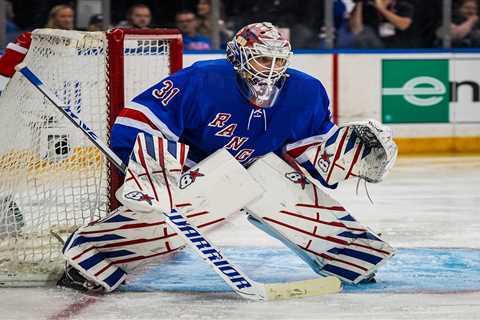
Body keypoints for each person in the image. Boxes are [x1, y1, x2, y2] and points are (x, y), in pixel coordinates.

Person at [57, 22, 396, 292]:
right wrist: (153, 173)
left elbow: (309, 152)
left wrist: (347, 153)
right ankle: (93, 254)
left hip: (254, 171)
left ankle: (350, 257)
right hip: (194, 173)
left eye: (279, 61)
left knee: (276, 182)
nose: (272, 69)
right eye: (264, 59)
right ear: (240, 57)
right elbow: (139, 120)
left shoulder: (305, 91)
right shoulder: (201, 79)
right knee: (204, 198)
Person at [0, 4, 75, 95]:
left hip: (63, 80)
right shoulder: (39, 36)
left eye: (70, 16)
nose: (67, 20)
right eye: (63, 16)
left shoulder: (78, 37)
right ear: (53, 17)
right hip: (39, 79)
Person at [349, 0, 415, 48]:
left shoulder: (402, 5)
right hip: (373, 49)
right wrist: (359, 3)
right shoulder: (366, 6)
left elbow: (403, 25)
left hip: (398, 50)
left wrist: (381, 8)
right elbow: (356, 29)